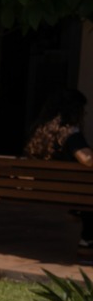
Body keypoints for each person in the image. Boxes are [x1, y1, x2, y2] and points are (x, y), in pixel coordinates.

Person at [23, 88, 93, 247]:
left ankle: (78, 213)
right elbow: (88, 160)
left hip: (44, 188)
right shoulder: (71, 134)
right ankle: (88, 239)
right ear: (74, 111)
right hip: (70, 190)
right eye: (82, 110)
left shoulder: (39, 132)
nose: (85, 114)